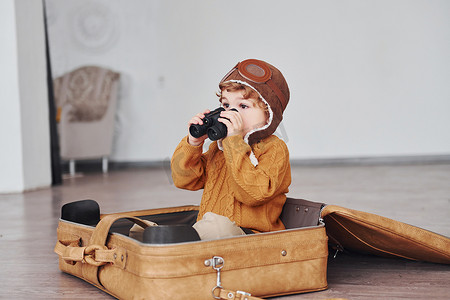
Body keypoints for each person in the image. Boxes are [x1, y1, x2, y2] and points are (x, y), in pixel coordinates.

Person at [171, 59, 291, 238]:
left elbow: (254, 194)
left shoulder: (274, 149)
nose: (230, 114)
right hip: (211, 235)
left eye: (243, 106)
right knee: (145, 231)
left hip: (253, 237)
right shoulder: (218, 148)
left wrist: (234, 143)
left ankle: (183, 243)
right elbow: (184, 180)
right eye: (226, 105)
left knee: (215, 227)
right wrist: (193, 143)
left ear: (269, 116)